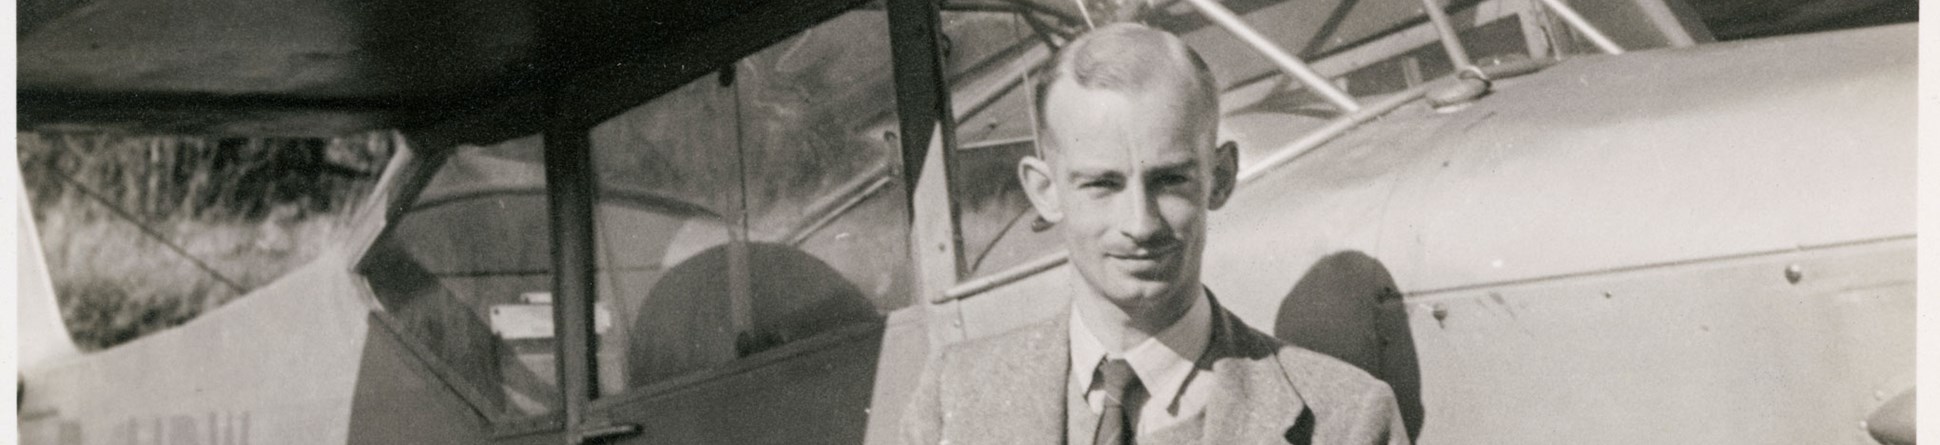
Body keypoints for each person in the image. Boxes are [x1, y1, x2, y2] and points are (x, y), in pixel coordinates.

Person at [901, 23, 1408, 445]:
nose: (1140, 224)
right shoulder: (952, 402)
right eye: (1102, 184)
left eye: (1170, 180)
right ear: (1044, 190)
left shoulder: (1346, 419)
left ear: (1222, 177)